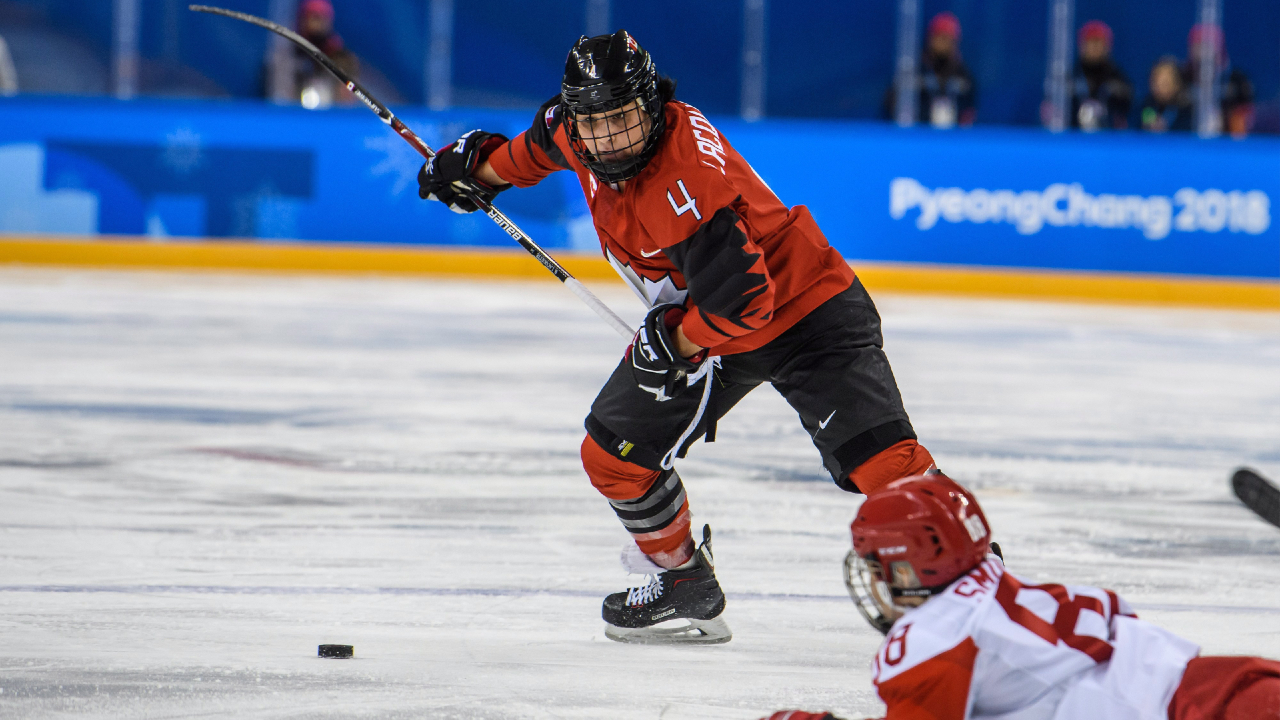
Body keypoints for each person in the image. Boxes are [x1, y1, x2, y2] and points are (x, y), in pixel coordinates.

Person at [416, 31, 936, 645]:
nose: (610, 138)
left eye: (623, 118)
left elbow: (744, 302)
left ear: (653, 105)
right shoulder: (575, 130)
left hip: (806, 312)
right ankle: (684, 582)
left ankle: (968, 579)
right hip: (705, 321)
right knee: (613, 457)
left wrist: (674, 345)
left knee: (883, 466)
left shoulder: (682, 181)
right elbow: (533, 150)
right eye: (595, 123)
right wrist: (476, 171)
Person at [764, 473, 1280, 720]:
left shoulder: (935, 634)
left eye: (879, 566)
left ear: (906, 566)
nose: (876, 581)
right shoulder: (993, 582)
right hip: (1230, 685)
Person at [882, 12, 977, 128]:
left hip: (952, 135)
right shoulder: (916, 70)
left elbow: (969, 112)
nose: (942, 43)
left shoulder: (963, 75)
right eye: (939, 37)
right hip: (917, 133)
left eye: (947, 39)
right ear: (931, 38)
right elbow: (891, 103)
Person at [1181, 23, 1254, 137]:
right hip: (1189, 140)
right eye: (1198, 45)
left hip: (1228, 141)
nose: (1203, 51)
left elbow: (1247, 111)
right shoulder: (1183, 78)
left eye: (1207, 45)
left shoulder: (1236, 80)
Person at [1070, 21, 1132, 131]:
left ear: (1107, 46)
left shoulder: (1118, 78)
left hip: (1108, 137)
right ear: (1082, 46)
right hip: (1073, 136)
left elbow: (1130, 109)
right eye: (1090, 42)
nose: (1094, 47)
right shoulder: (1071, 77)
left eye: (1098, 42)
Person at [1140, 57, 1193, 133]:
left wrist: (1165, 128)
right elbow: (1135, 127)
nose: (1159, 88)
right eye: (1156, 82)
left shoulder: (1186, 109)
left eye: (1165, 83)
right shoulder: (1147, 104)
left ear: (1178, 84)